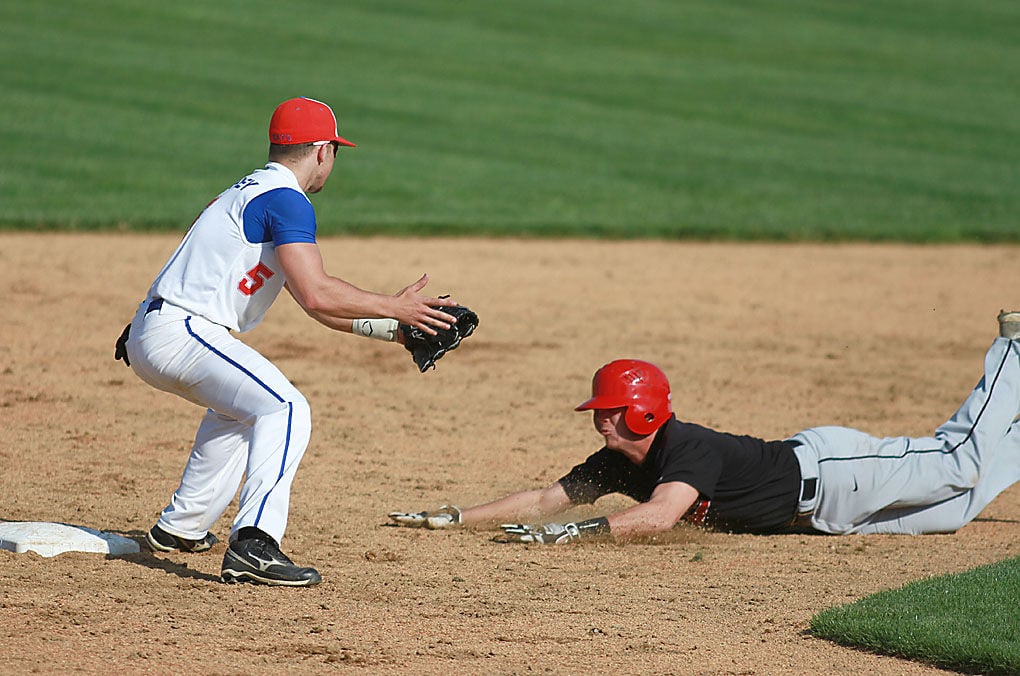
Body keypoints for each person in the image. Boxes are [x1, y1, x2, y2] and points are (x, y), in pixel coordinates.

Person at [118, 96, 459, 586]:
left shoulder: (243, 191)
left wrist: (396, 330)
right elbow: (318, 294)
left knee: (241, 408)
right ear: (321, 151)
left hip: (156, 329)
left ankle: (182, 527)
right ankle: (254, 544)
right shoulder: (286, 199)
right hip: (183, 332)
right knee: (285, 407)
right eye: (335, 152)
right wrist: (396, 304)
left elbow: (312, 305)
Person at [389, 311, 1020, 543]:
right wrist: (454, 517)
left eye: (607, 410)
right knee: (957, 509)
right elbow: (545, 498)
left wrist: (569, 536)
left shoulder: (685, 447)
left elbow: (663, 516)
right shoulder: (618, 462)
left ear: (640, 411)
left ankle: (1012, 347)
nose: (600, 419)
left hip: (832, 471)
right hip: (826, 516)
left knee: (960, 460)